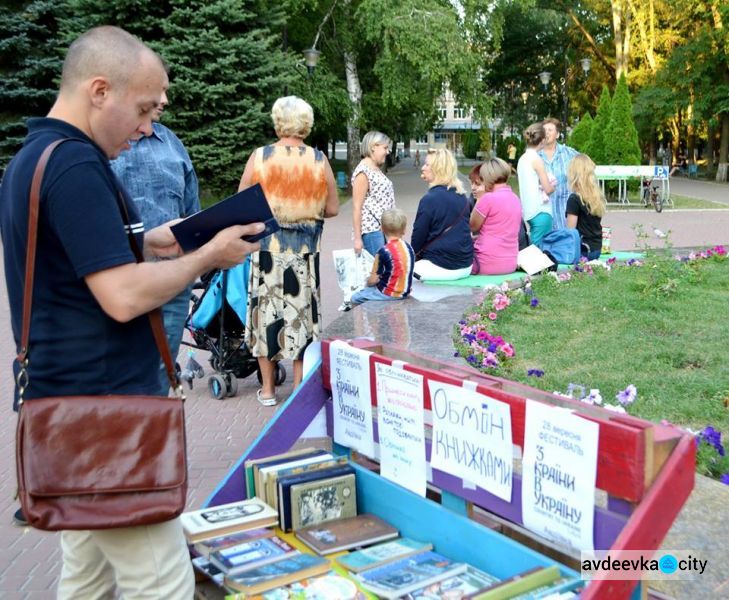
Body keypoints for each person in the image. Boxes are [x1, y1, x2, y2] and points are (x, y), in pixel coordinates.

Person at [0, 26, 263, 598]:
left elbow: (83, 257)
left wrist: (161, 240)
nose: (148, 128)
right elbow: (119, 295)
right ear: (99, 90)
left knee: (87, 580)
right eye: (143, 109)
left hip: (73, 413)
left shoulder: (35, 158)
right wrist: (209, 257)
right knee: (164, 584)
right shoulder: (76, 166)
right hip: (107, 418)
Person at [238, 96, 339, 406]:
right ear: (306, 124)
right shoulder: (319, 160)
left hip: (267, 250)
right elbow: (333, 207)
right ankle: (297, 388)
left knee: (267, 316)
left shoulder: (260, 157)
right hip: (305, 254)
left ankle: (268, 390)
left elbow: (241, 202)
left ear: (277, 121)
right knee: (301, 319)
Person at [111, 88, 200, 396]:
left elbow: (192, 205)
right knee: (123, 375)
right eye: (156, 90)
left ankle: (153, 437)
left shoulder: (170, 141)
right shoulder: (101, 145)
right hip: (119, 281)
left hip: (172, 282)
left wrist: (202, 245)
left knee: (161, 372)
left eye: (167, 90)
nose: (165, 100)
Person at [411, 148, 473, 281]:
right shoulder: (462, 196)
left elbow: (418, 238)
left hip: (441, 266)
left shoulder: (429, 199)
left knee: (401, 271)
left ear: (437, 169)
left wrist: (410, 259)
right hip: (466, 266)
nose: (423, 168)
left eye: (427, 164)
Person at [469, 158, 522, 275]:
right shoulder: (515, 198)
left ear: (487, 177)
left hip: (485, 263)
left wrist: (478, 199)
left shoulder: (487, 199)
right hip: (510, 263)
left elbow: (472, 226)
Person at [350, 209, 414, 306]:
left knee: (355, 298)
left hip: (388, 294)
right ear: (404, 230)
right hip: (405, 292)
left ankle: (366, 319)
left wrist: (367, 282)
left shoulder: (383, 252)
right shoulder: (409, 248)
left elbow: (373, 280)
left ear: (381, 229)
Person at [351, 131, 395, 257]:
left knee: (384, 269)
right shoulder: (363, 171)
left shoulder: (375, 169)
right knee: (378, 271)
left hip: (382, 229)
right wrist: (358, 239)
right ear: (373, 147)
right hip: (372, 230)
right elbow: (356, 207)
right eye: (385, 148)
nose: (387, 152)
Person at [517, 123, 555, 248]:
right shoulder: (537, 160)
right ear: (542, 140)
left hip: (528, 210)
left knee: (533, 246)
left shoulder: (522, 159)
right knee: (538, 251)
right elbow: (548, 189)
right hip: (541, 211)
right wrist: (554, 185)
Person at [538, 117, 577, 230]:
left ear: (557, 134)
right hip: (543, 214)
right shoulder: (535, 156)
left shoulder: (569, 153)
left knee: (565, 245)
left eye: (550, 130)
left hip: (565, 214)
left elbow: (587, 167)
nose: (546, 133)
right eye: (544, 130)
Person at [565, 154, 606, 260]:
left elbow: (571, 231)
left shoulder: (574, 199)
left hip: (583, 250)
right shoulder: (596, 197)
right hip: (596, 248)